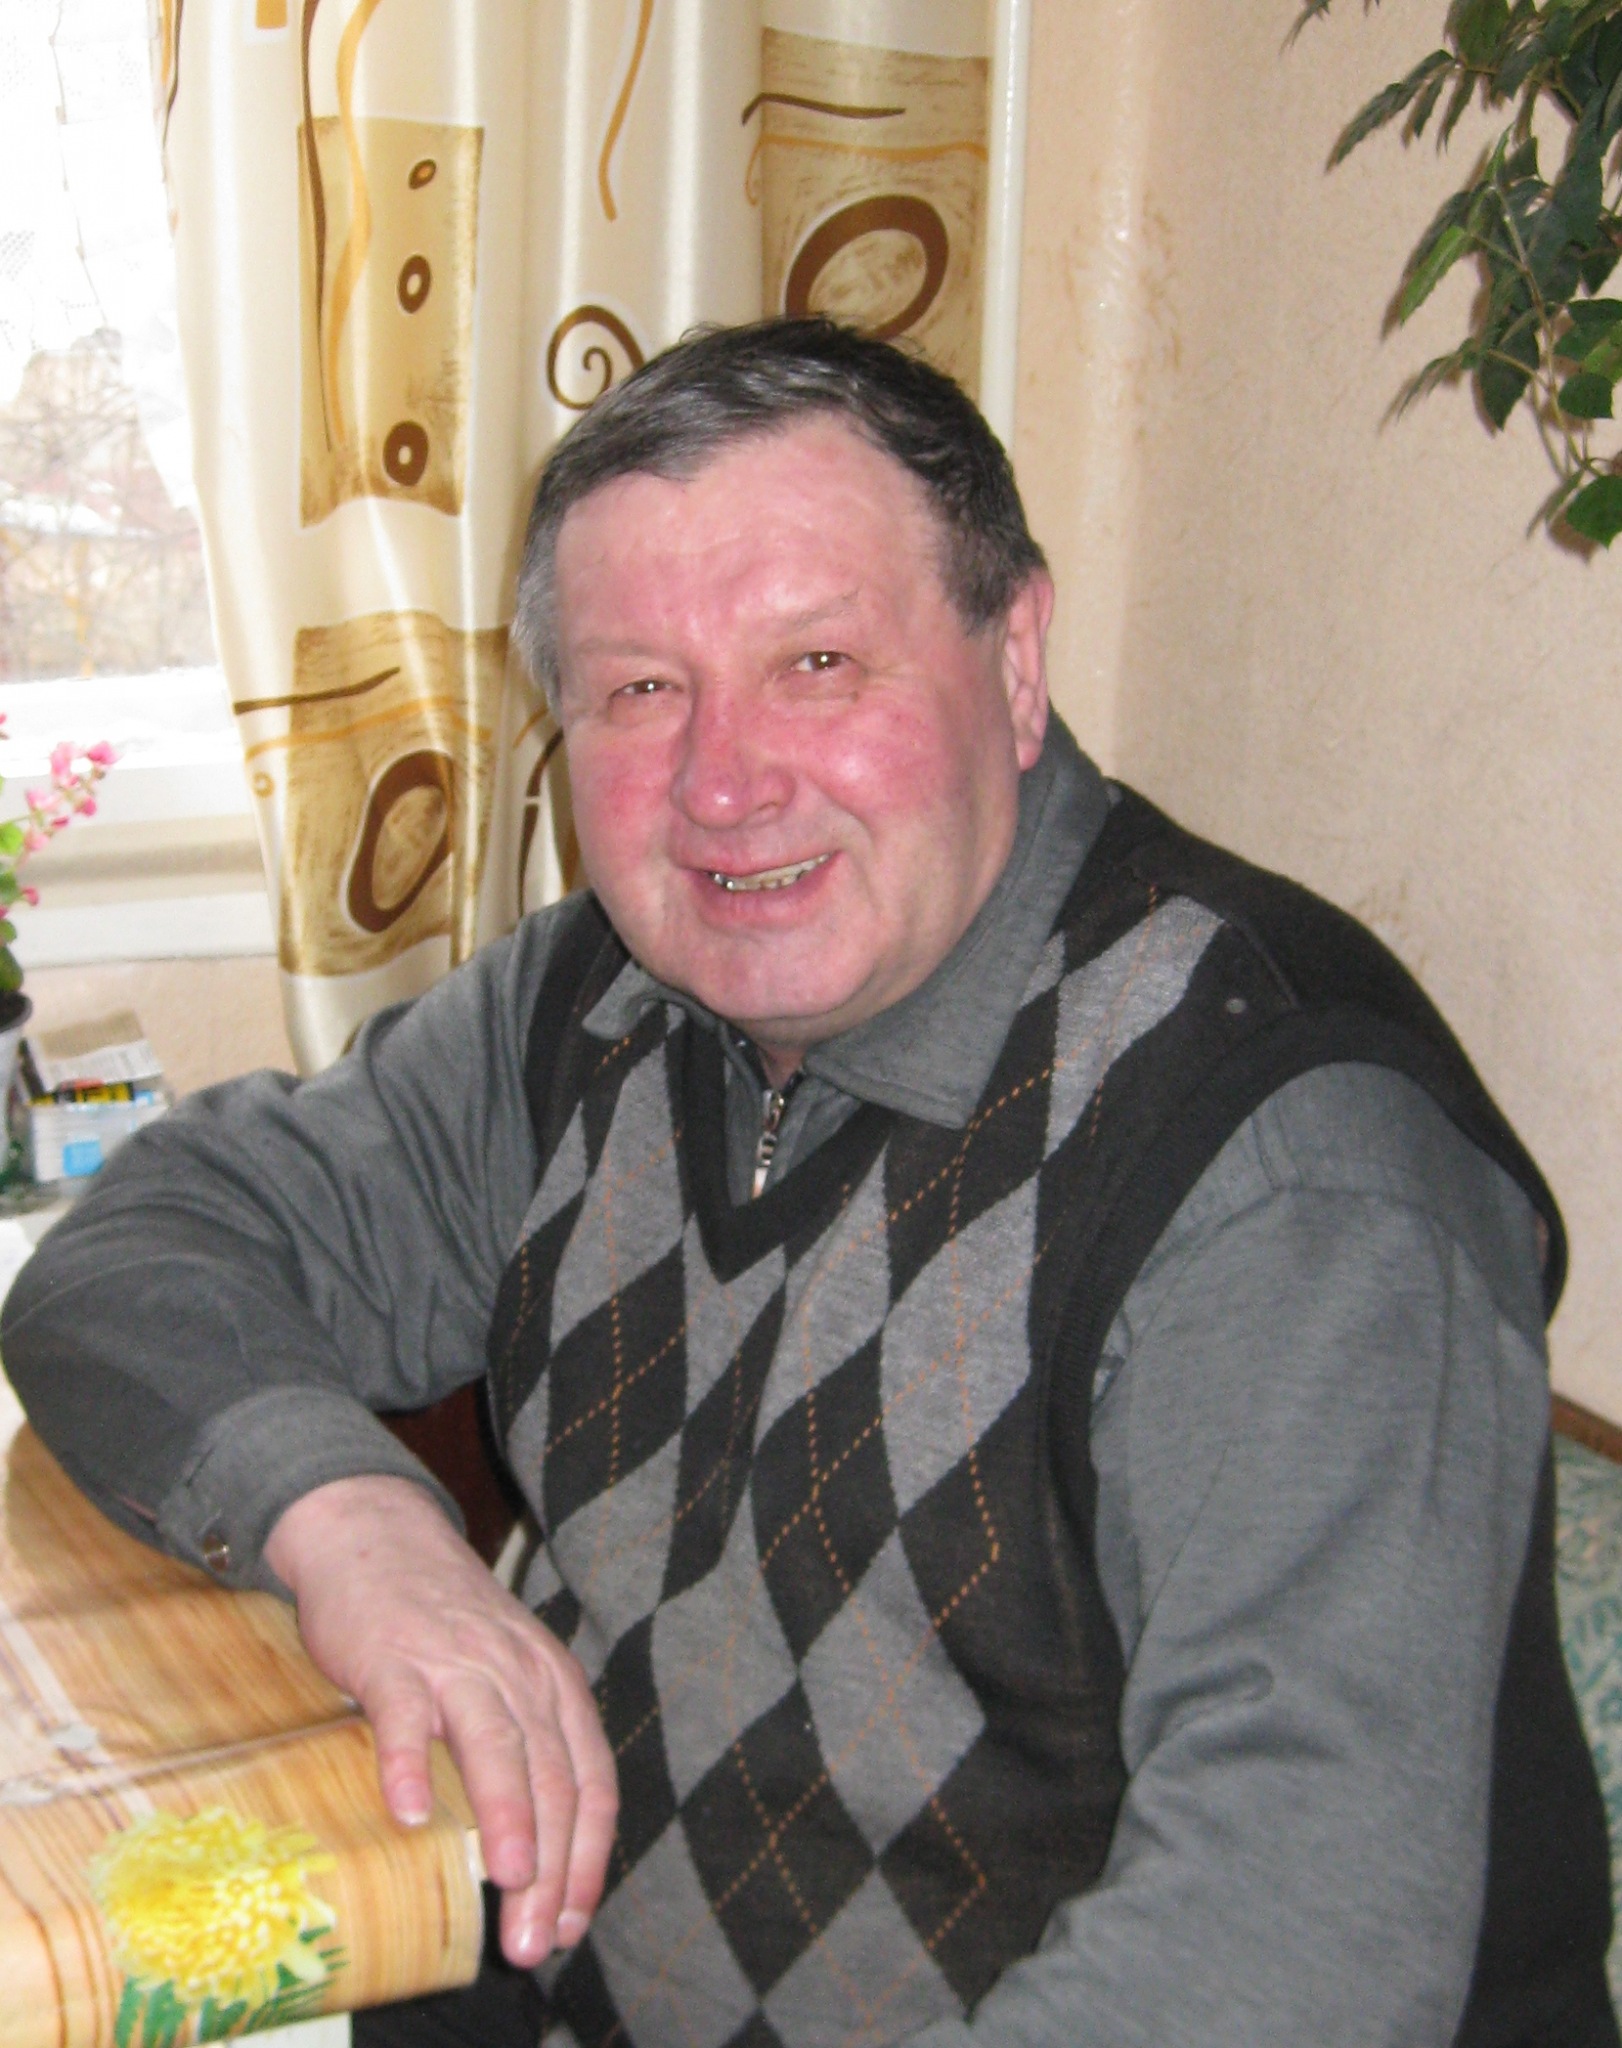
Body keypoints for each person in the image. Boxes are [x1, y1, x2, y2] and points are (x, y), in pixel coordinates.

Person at [3, 319, 1614, 2048]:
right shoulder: (598, 1007)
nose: (722, 783)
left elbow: (1290, 1956)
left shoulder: (1278, 1170)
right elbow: (135, 1255)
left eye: (818, 663)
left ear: (1015, 657)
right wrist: (358, 1529)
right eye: (640, 691)